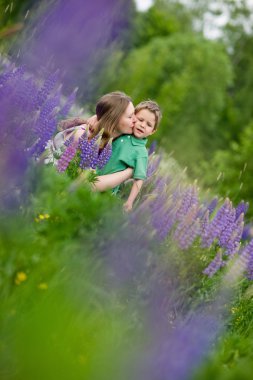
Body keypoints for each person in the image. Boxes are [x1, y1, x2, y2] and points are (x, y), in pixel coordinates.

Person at [43, 91, 136, 188]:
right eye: (130, 116)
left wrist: (98, 117)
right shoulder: (81, 135)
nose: (135, 120)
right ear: (113, 120)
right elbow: (87, 185)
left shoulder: (112, 142)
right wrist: (129, 172)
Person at [95, 100, 162, 211]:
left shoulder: (141, 152)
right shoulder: (125, 131)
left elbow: (139, 179)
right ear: (133, 116)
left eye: (149, 125)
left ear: (153, 131)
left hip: (108, 189)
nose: (142, 125)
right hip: (93, 172)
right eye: (140, 120)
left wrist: (130, 201)